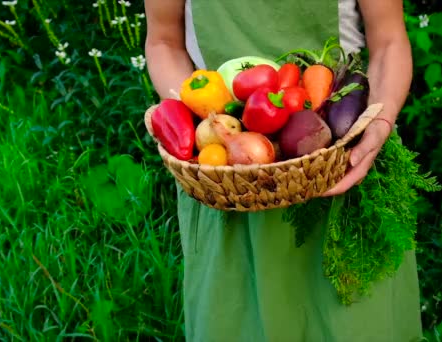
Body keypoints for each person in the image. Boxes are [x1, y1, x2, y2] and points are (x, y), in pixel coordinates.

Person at [144, 0, 421, 341]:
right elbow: (163, 42)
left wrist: (380, 120)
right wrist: (209, 124)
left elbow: (389, 40)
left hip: (344, 170)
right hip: (227, 182)